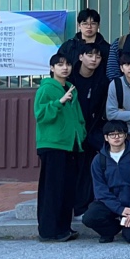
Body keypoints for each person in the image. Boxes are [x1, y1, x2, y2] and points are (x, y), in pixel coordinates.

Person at [34, 53, 85, 242]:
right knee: (52, 190)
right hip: (52, 145)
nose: (65, 68)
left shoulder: (71, 88)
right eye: (60, 65)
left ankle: (63, 228)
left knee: (67, 189)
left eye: (68, 64)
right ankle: (48, 231)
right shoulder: (46, 88)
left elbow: (77, 115)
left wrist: (81, 133)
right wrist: (59, 102)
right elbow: (40, 114)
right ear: (52, 68)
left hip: (70, 145)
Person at [81, 120, 130, 244]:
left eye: (119, 133)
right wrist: (119, 209)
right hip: (109, 204)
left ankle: (128, 227)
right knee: (89, 217)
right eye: (112, 134)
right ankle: (110, 230)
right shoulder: (99, 159)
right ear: (106, 138)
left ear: (125, 135)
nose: (116, 137)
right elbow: (100, 190)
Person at [66, 43, 109, 217]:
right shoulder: (70, 80)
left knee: (89, 168)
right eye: (90, 55)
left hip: (92, 131)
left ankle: (84, 206)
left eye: (97, 56)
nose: (94, 60)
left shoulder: (102, 80)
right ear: (80, 57)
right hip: (72, 132)